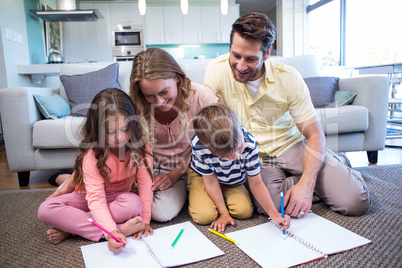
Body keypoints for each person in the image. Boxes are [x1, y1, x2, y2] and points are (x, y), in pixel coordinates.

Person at [204, 12, 371, 218]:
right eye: (235, 55)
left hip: (291, 146)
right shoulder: (216, 71)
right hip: (257, 159)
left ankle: (332, 169)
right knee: (269, 206)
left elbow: (315, 135)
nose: (240, 66)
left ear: (266, 54)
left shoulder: (288, 77)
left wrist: (307, 186)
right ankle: (326, 173)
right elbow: (212, 123)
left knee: (355, 201)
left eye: (250, 59)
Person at [49, 48, 218, 222]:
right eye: (149, 96)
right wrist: (70, 183)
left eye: (164, 91)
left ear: (178, 78)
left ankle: (82, 207)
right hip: (145, 168)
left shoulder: (202, 98)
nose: (159, 102)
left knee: (159, 213)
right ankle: (69, 179)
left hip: (188, 167)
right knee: (113, 196)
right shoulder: (134, 104)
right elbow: (97, 148)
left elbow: (213, 143)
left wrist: (174, 174)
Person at [38, 88, 153, 253]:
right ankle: (117, 229)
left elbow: (145, 184)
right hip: (87, 197)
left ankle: (72, 229)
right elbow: (96, 199)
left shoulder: (141, 146)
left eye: (125, 129)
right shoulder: (93, 155)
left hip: (119, 200)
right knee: (45, 209)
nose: (120, 137)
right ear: (98, 130)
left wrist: (146, 220)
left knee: (135, 203)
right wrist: (112, 232)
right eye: (111, 132)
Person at [189, 103, 290, 232]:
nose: (236, 156)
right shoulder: (199, 145)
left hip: (233, 178)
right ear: (209, 148)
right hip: (205, 178)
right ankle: (195, 192)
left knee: (244, 212)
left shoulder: (249, 142)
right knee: (204, 216)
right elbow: (210, 181)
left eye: (238, 148)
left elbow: (256, 183)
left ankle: (222, 196)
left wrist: (274, 213)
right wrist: (224, 213)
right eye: (226, 156)